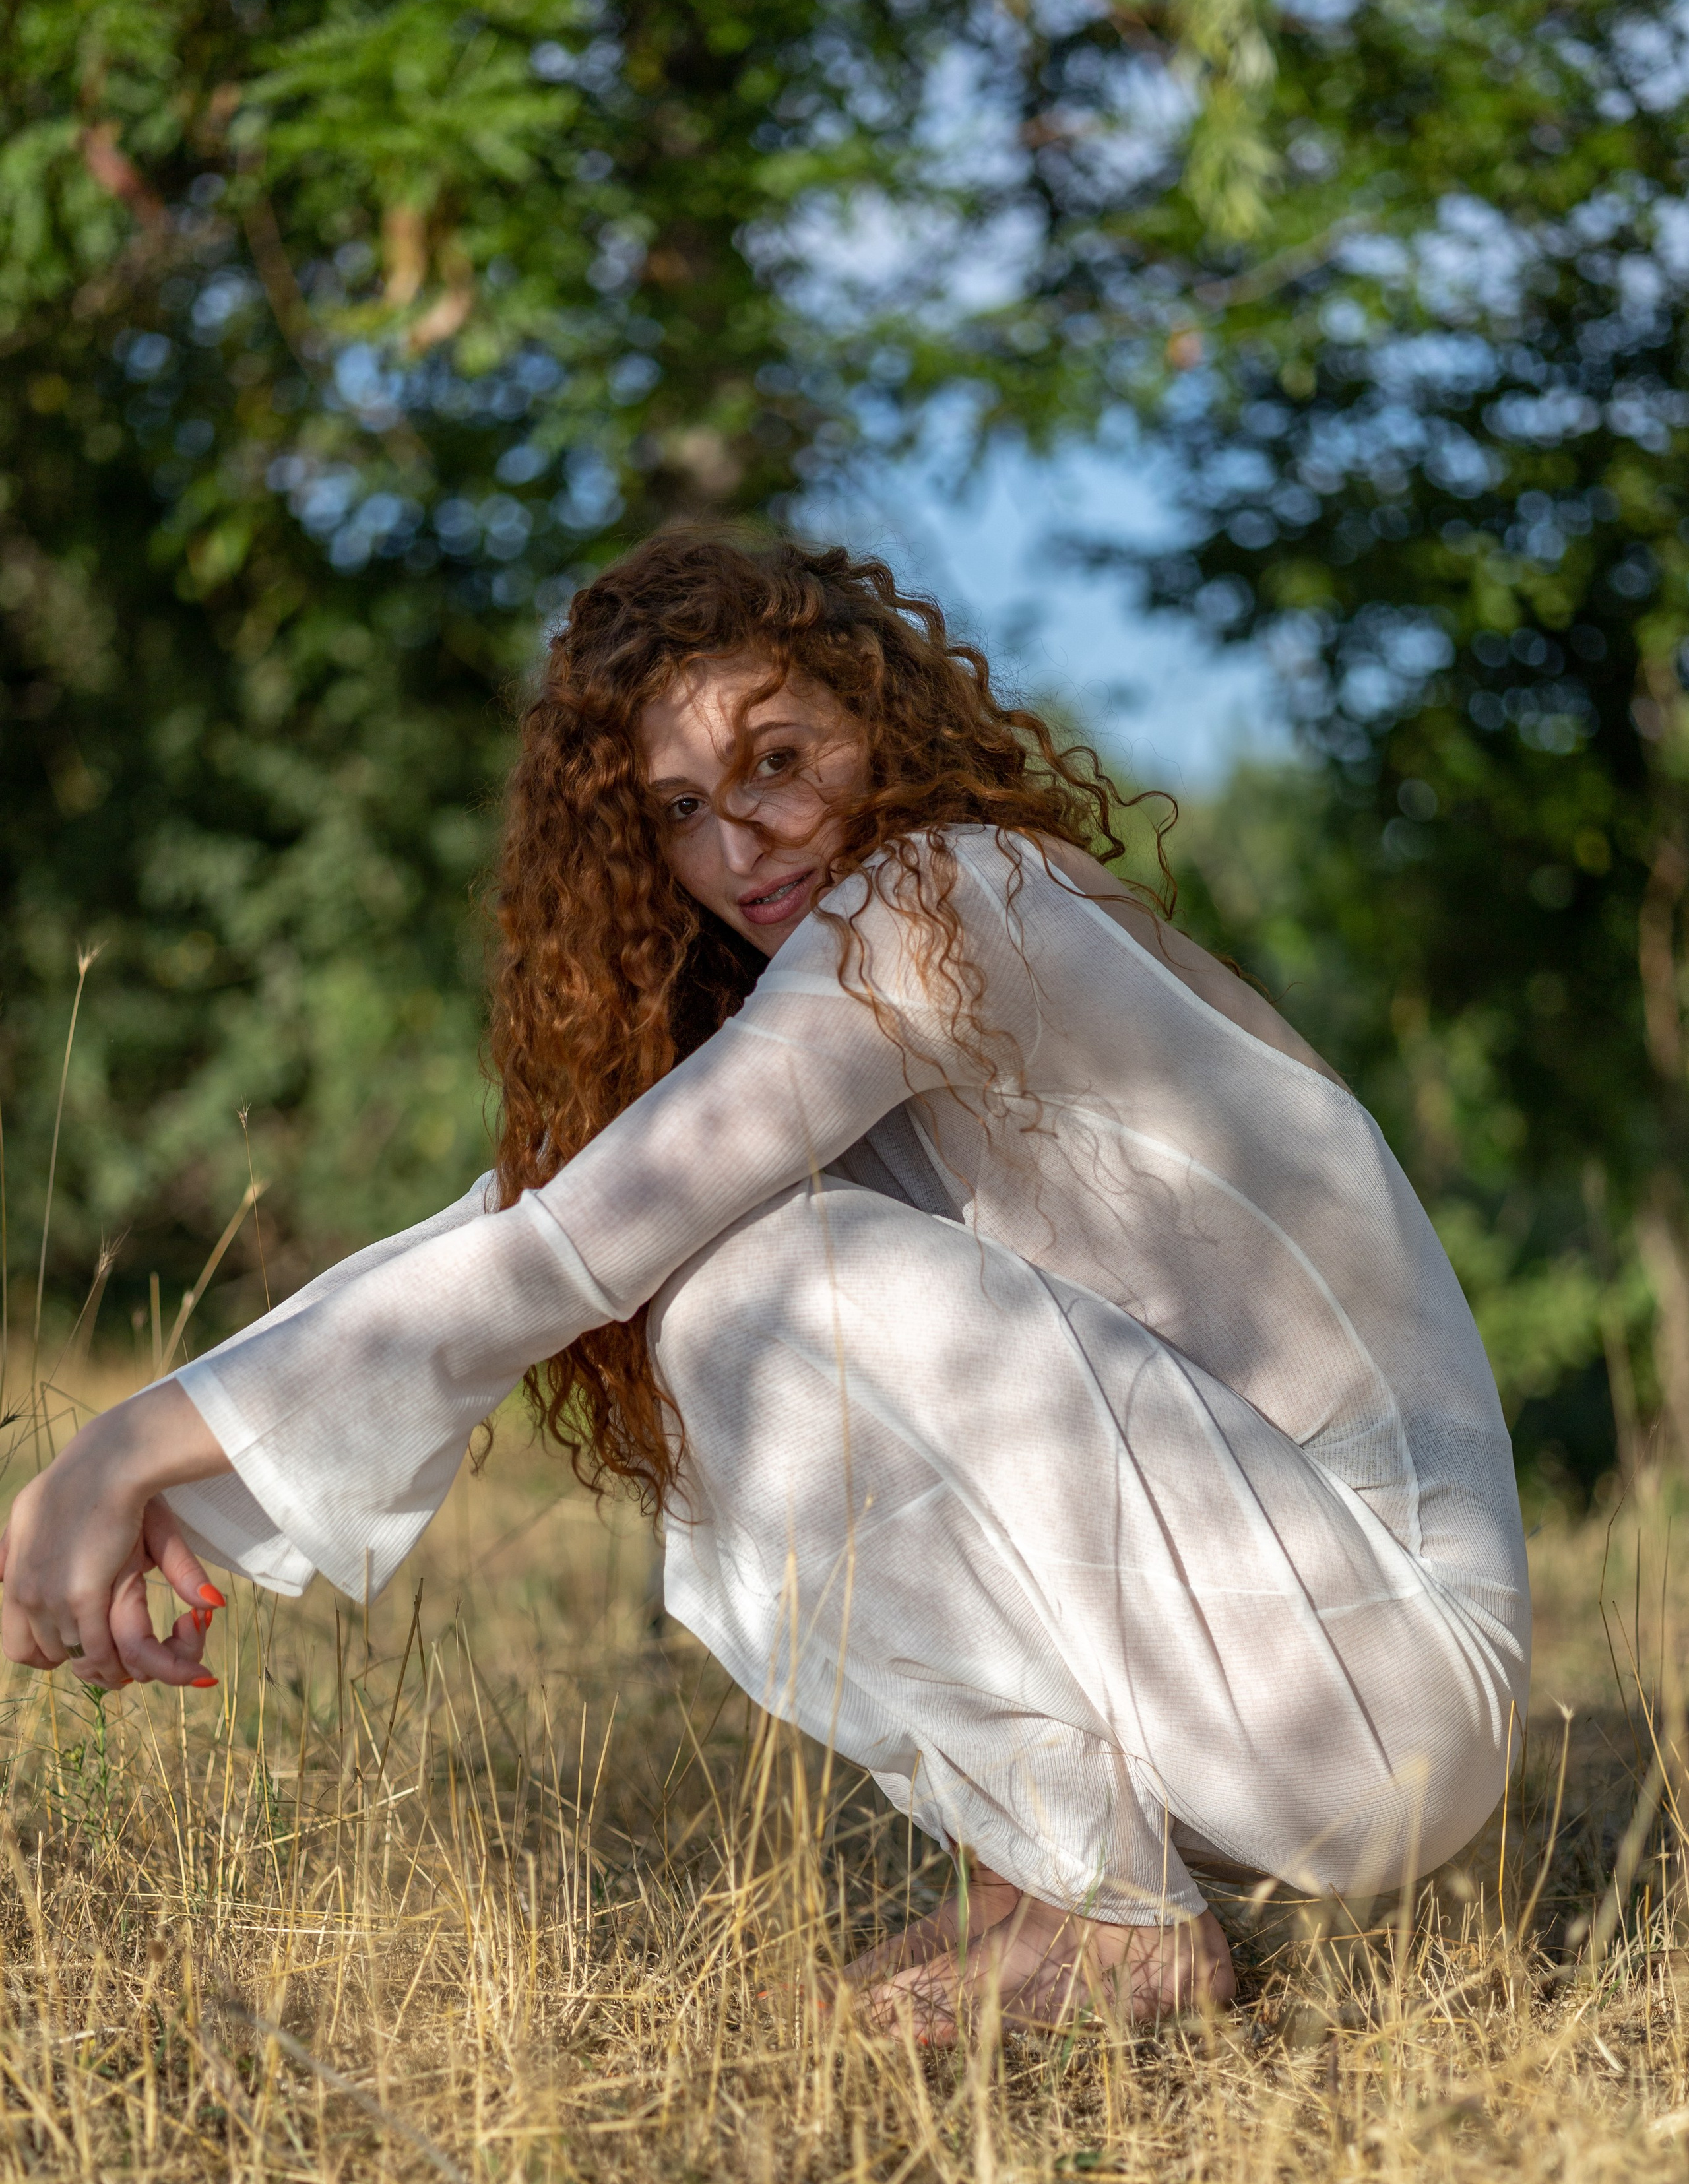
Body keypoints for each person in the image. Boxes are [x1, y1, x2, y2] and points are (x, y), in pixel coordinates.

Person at [0, 532, 1529, 2038]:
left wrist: (125, 1446)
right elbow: (515, 1222)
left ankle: (1101, 1923)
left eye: (781, 759)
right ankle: (1049, 1883)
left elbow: (566, 1252)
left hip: (1372, 1684)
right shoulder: (854, 992)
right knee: (723, 1259)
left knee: (751, 1290)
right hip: (1292, 1686)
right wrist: (177, 1491)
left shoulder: (953, 900)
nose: (744, 845)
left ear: (885, 718)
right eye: (680, 809)